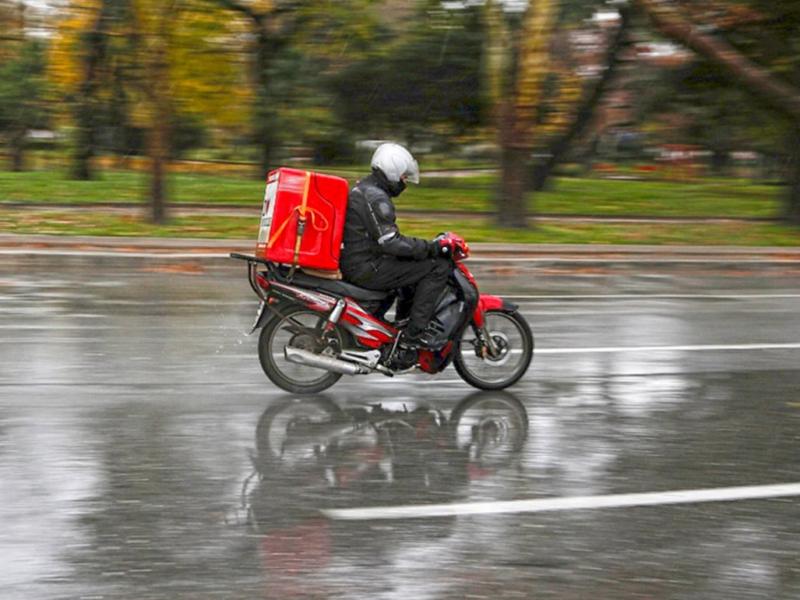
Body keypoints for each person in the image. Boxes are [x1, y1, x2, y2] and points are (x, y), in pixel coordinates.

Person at [339, 143, 451, 347]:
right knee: (437, 267)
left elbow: (386, 241)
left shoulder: (365, 189)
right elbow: (391, 243)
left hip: (359, 260)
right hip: (365, 267)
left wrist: (418, 249)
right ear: (392, 170)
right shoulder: (376, 197)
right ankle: (413, 335)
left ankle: (397, 325)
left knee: (410, 264)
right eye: (403, 177)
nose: (404, 182)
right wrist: (432, 248)